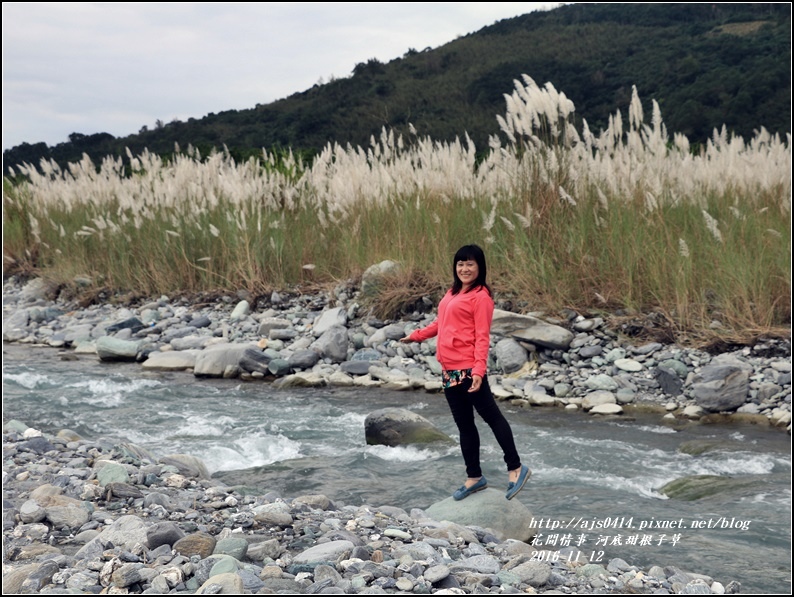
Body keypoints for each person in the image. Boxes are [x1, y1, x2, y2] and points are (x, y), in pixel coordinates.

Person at [401, 244, 531, 501]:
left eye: (470, 264)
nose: (464, 268)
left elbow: (482, 337)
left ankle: (516, 468)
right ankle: (474, 477)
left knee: (492, 418)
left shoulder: (481, 297)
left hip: (469, 370)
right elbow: (442, 322)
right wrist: (416, 336)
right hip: (449, 370)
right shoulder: (453, 292)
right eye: (460, 263)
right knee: (464, 426)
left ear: (480, 267)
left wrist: (479, 371)